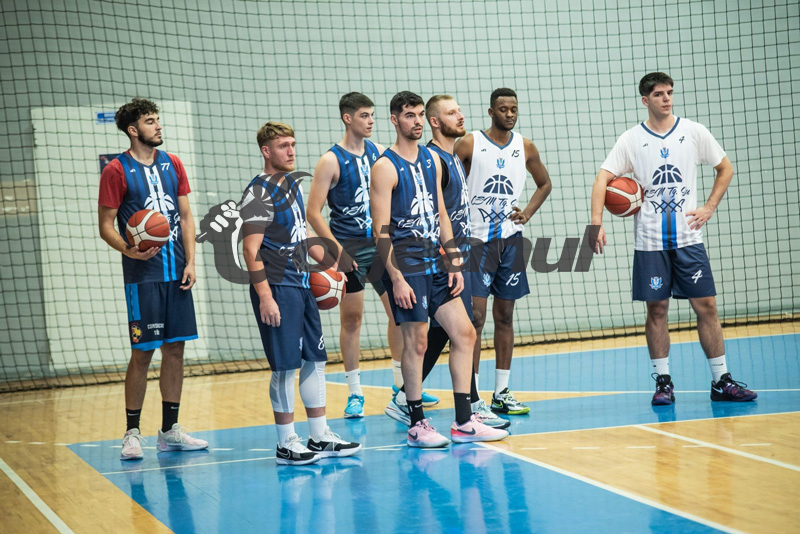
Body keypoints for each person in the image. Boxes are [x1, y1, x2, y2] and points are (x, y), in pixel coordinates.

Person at [591, 72, 757, 405]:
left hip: (688, 240)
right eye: (658, 94)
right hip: (650, 243)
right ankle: (663, 383)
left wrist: (709, 207)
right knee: (657, 310)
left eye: (669, 92)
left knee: (707, 305)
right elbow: (602, 179)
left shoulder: (693, 132)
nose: (666, 98)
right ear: (645, 100)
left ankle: (721, 381)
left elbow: (725, 168)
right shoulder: (631, 139)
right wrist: (596, 222)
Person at [370, 91, 508, 447]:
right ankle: (416, 422)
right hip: (405, 264)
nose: (416, 121)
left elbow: (441, 213)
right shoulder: (384, 167)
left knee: (465, 333)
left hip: (436, 260)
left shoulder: (432, 160)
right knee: (416, 342)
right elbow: (379, 230)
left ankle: (464, 421)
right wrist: (396, 278)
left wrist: (454, 260)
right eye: (409, 116)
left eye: (419, 114)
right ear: (394, 120)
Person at [307, 92, 438, 419]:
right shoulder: (330, 160)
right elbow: (313, 212)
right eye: (364, 115)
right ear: (347, 118)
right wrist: (336, 251)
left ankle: (401, 385)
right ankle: (355, 393)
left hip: (380, 246)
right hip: (348, 248)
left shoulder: (381, 153)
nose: (370, 121)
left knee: (399, 315)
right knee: (352, 320)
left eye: (372, 115)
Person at [241, 121, 362, 465]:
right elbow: (250, 249)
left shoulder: (291, 186)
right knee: (284, 367)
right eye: (283, 146)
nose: (291, 151)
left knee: (316, 359)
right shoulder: (259, 192)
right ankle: (286, 443)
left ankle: (319, 435)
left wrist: (333, 261)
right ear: (266, 151)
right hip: (277, 286)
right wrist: (266, 297)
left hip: (302, 282)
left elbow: (302, 233)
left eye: (293, 144)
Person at [98, 98, 208, 460]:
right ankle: (132, 433)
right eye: (150, 121)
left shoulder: (173, 163)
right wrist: (128, 250)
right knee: (142, 352)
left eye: (157, 119)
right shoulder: (116, 170)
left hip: (177, 274)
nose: (158, 125)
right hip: (142, 277)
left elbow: (186, 216)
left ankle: (169, 431)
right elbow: (106, 225)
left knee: (175, 350)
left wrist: (191, 262)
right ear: (133, 130)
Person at [455, 88, 552, 416]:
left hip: (510, 242)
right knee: (475, 319)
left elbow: (544, 183)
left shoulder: (525, 146)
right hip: (475, 242)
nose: (509, 114)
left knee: (505, 317)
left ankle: (501, 392)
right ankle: (472, 396)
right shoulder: (469, 143)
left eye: (514, 109)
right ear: (491, 111)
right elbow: (446, 185)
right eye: (503, 109)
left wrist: (528, 213)